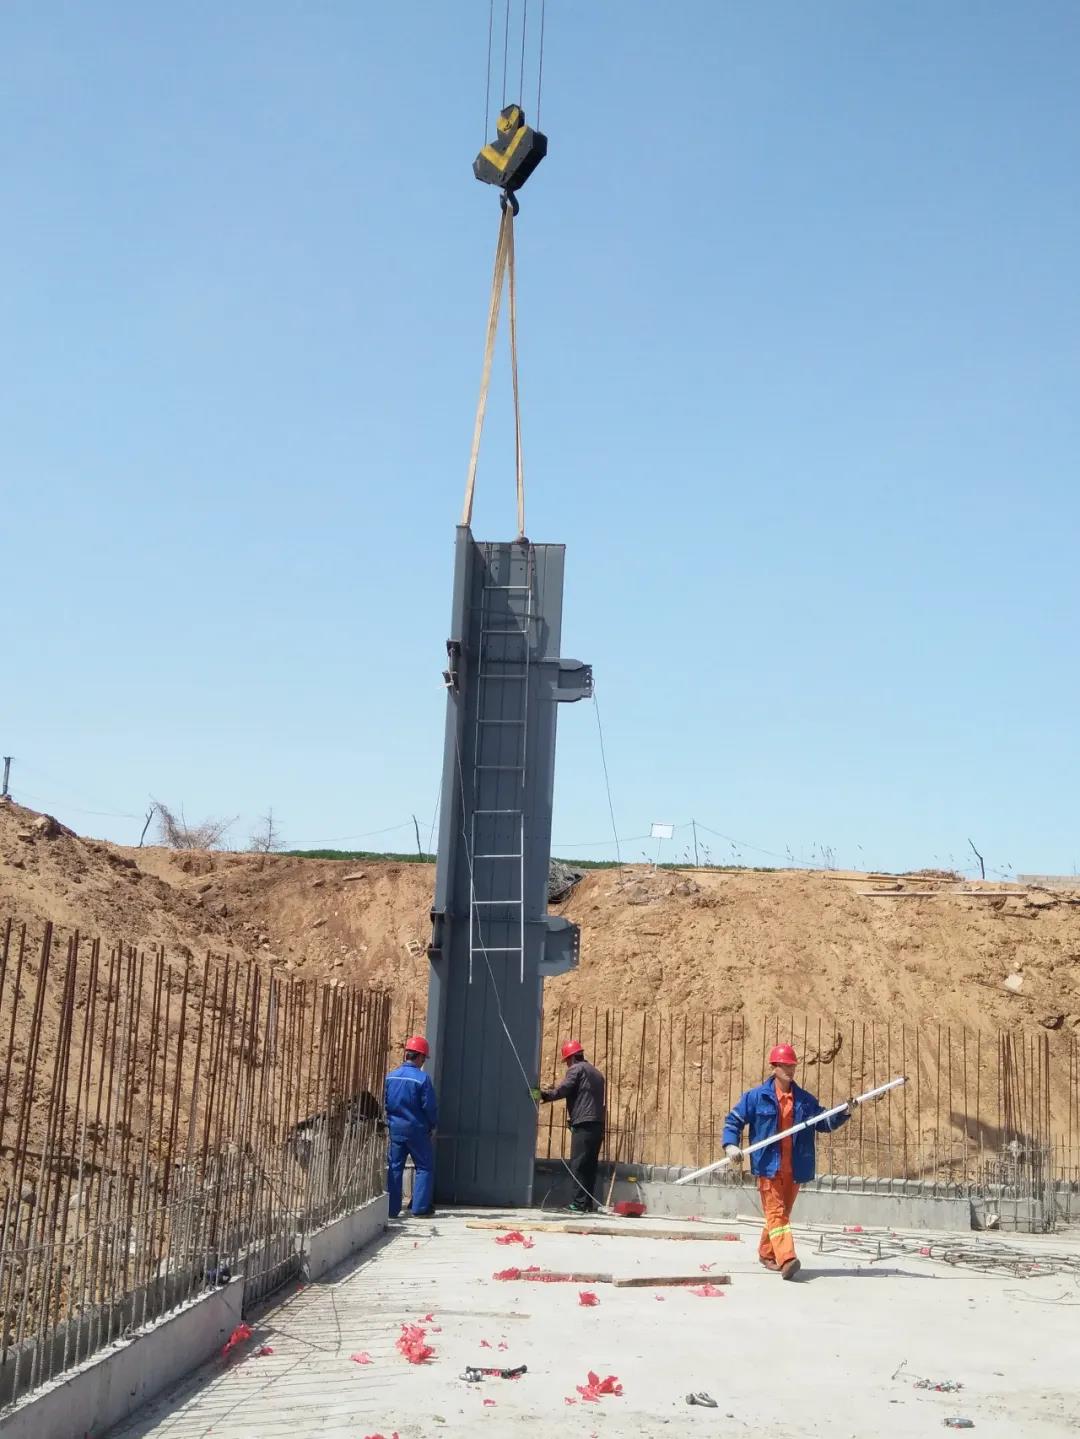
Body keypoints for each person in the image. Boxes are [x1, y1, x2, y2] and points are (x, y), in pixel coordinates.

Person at [722, 1043, 854, 1280]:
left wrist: (842, 1113)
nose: (790, 1070)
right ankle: (787, 1258)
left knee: (780, 1215)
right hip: (768, 1167)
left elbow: (823, 1122)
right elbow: (734, 1121)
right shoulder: (756, 1097)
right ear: (774, 1067)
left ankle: (766, 1252)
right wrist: (730, 1144)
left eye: (792, 1066)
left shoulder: (804, 1101)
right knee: (777, 1213)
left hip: (794, 1168)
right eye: (785, 1066)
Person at [534, 1040, 606, 1213]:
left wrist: (543, 1095)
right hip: (597, 1125)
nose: (567, 1064)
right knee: (589, 1166)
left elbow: (564, 1089)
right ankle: (587, 1204)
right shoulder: (597, 1073)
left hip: (583, 1124)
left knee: (578, 1165)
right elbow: (585, 1097)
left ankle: (578, 1204)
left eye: (566, 1060)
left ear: (572, 1057)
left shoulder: (576, 1069)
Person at [384, 1035, 438, 1219]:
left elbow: (386, 1103)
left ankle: (392, 1210)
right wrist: (433, 1125)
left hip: (396, 1130)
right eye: (424, 1058)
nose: (423, 1062)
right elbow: (429, 1107)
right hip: (417, 1131)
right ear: (420, 1056)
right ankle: (419, 1208)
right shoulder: (422, 1079)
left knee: (395, 1167)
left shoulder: (390, 1077)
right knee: (424, 1167)